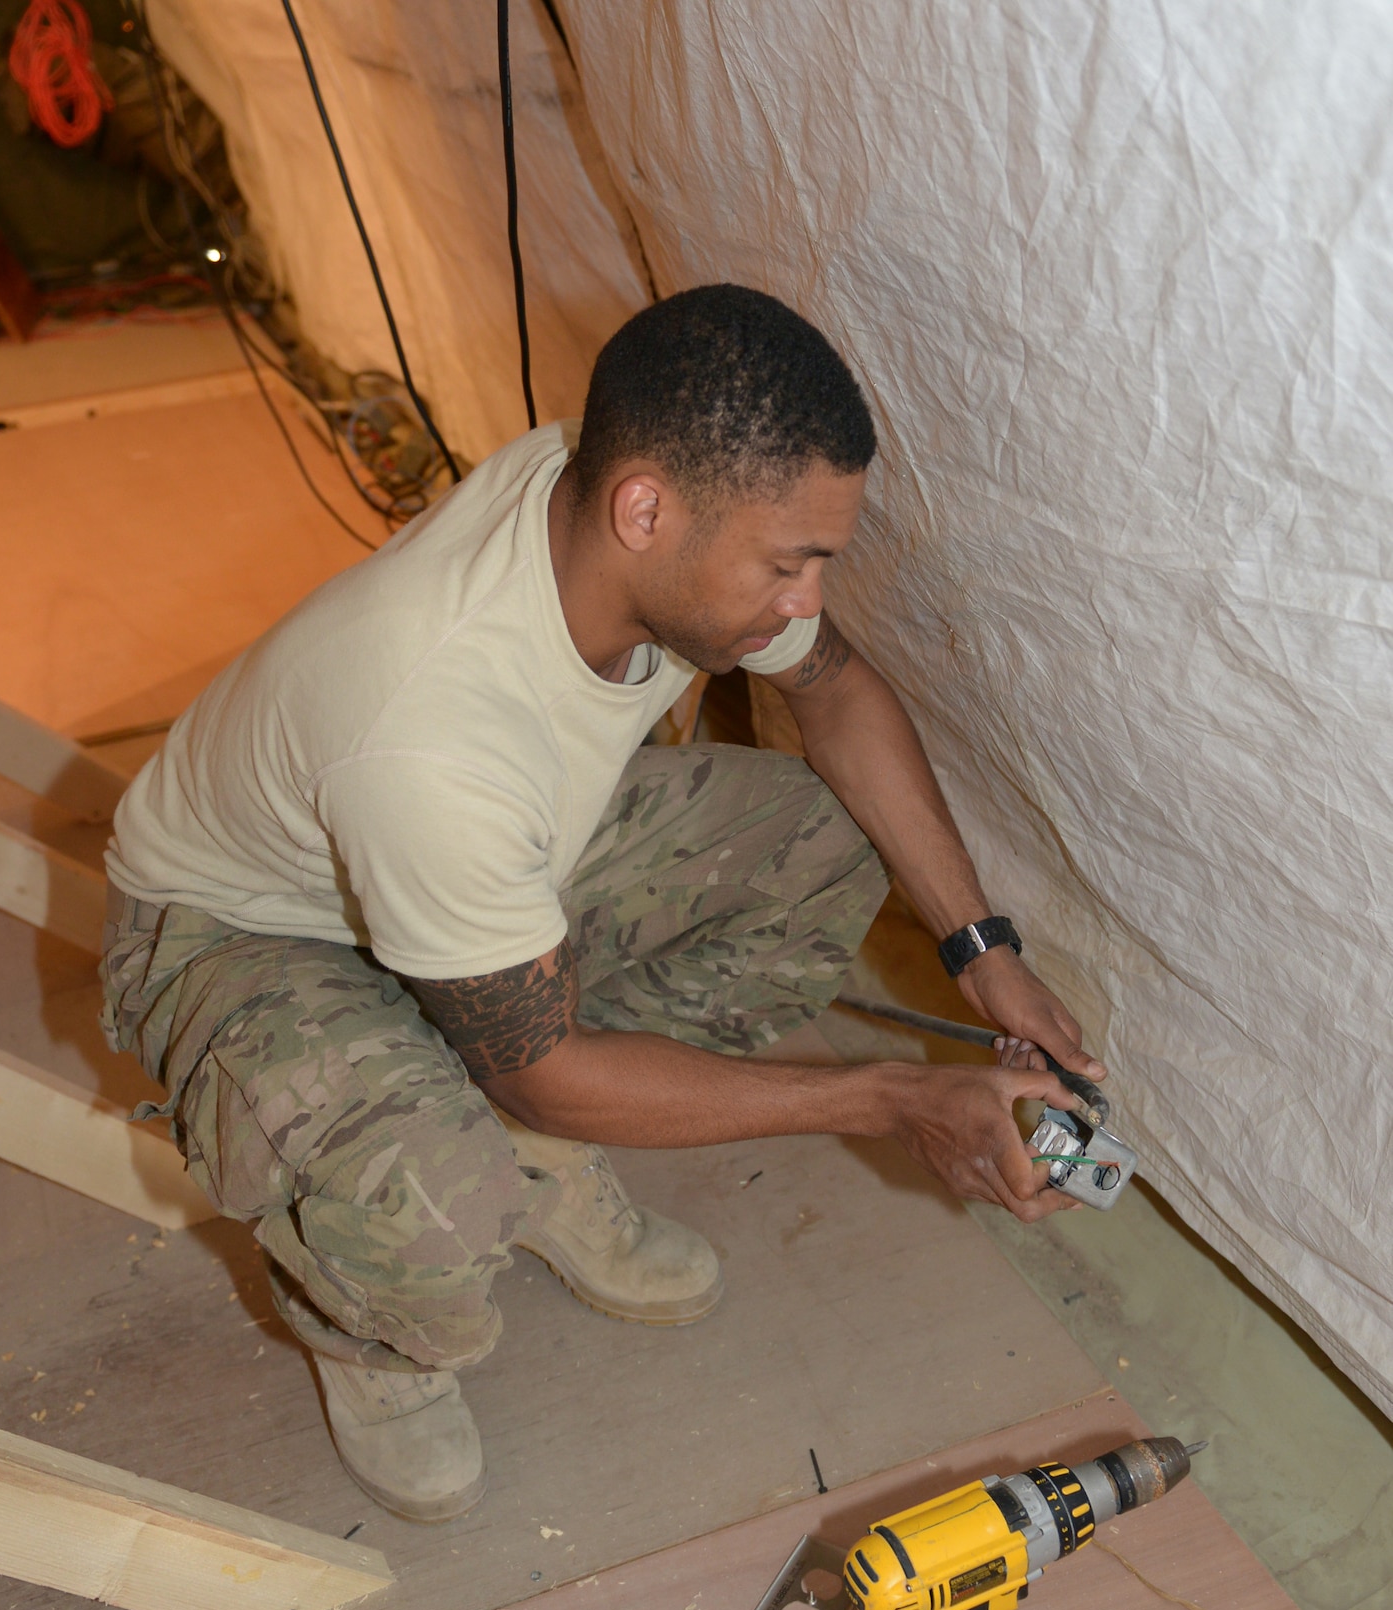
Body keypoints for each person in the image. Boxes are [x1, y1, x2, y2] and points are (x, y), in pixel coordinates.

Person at [100, 285, 1102, 1523]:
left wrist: (981, 949)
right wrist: (891, 1097)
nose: (803, 601)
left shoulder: (609, 512)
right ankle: (375, 1332)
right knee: (437, 1184)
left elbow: (837, 695)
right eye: (787, 563)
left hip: (457, 864)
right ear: (647, 509)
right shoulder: (434, 737)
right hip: (237, 929)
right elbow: (538, 1061)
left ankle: (519, 1132)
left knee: (819, 843)